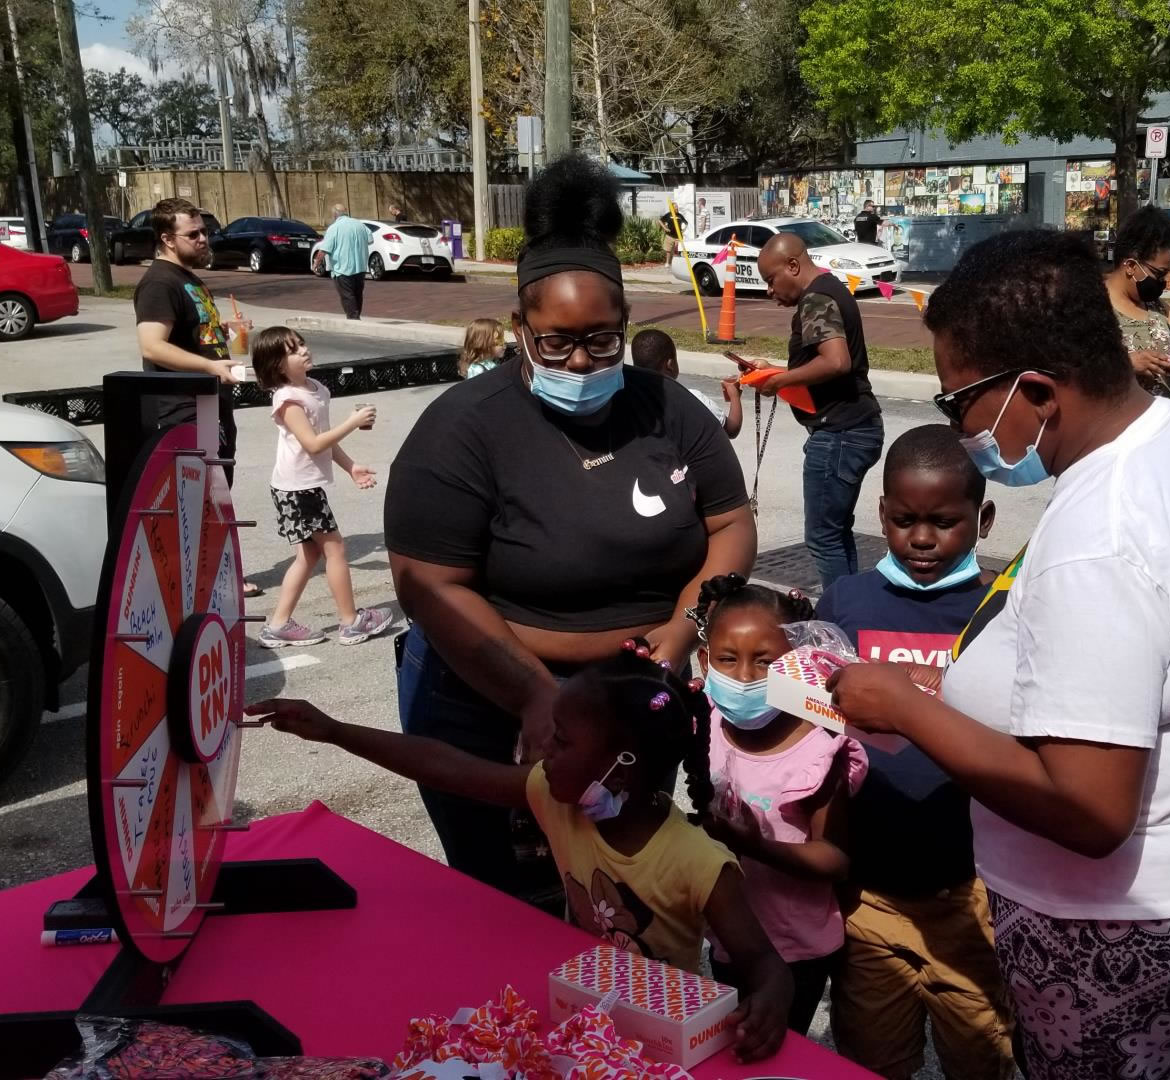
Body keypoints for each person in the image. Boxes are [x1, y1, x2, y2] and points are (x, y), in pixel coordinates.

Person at [827, 229, 1170, 1080]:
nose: (957, 427)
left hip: (1121, 919)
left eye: (957, 403)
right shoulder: (1168, 441)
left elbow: (1089, 810)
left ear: (1037, 391)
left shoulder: (1102, 537)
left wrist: (905, 709)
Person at [384, 156, 754, 907]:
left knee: (631, 895)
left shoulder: (669, 409)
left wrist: (681, 636)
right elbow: (429, 586)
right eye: (555, 342)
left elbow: (731, 525)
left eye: (602, 340)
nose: (580, 360)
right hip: (486, 699)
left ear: (626, 325)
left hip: (642, 690)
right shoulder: (462, 430)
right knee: (514, 902)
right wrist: (530, 693)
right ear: (520, 329)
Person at [247, 645, 792, 1063]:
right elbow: (449, 768)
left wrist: (767, 1003)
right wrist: (336, 731)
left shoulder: (699, 863)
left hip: (658, 1043)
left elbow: (766, 965)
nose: (543, 749)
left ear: (620, 766)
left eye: (561, 740)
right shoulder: (558, 799)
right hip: (578, 1015)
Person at [815, 425, 1015, 1080]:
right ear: (882, 515)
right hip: (868, 897)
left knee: (982, 1055)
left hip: (975, 897)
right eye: (904, 521)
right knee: (871, 1059)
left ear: (983, 519)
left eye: (944, 522)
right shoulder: (846, 601)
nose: (922, 539)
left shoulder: (1003, 612)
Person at [693, 573, 863, 1033]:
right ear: (705, 660)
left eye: (765, 662)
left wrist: (756, 846)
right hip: (729, 937)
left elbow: (835, 860)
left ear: (796, 665)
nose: (744, 677)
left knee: (773, 1041)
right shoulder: (705, 725)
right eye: (728, 659)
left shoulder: (818, 751)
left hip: (795, 950)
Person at [753, 231, 884, 590]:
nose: (769, 290)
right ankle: (851, 607)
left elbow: (837, 361)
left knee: (823, 537)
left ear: (793, 266)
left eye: (771, 279)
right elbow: (824, 365)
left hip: (840, 432)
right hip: (855, 426)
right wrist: (774, 372)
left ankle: (838, 614)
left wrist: (780, 381)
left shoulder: (815, 299)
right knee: (836, 532)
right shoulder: (830, 289)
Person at [251, 326, 394, 648]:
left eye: (301, 344)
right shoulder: (288, 399)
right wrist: (352, 423)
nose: (303, 350)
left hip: (301, 487)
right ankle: (350, 622)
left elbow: (324, 440)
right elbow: (313, 444)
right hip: (296, 490)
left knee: (309, 555)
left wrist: (351, 466)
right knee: (335, 549)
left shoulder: (316, 389)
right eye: (292, 350)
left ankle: (278, 625)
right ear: (276, 365)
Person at [134, 198, 242, 486]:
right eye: (193, 234)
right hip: (185, 411)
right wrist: (209, 366)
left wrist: (219, 330)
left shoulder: (187, 278)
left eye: (204, 231)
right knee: (198, 497)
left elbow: (189, 333)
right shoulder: (159, 283)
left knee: (216, 495)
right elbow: (152, 346)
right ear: (168, 239)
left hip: (210, 406)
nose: (203, 239)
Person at [1104, 205, 1170, 401]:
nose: (1162, 282)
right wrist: (1127, 364)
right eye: (1158, 273)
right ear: (1131, 266)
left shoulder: (1158, 307)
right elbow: (1068, 369)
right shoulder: (1092, 305)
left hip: (1162, 416)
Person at [631, 328, 742, 438]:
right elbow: (732, 429)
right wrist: (734, 396)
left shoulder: (629, 399)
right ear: (670, 365)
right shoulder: (693, 399)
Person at [317, 204, 371, 320]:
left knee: (347, 295)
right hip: (360, 266)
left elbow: (324, 250)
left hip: (342, 268)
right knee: (357, 294)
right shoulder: (360, 225)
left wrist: (316, 263)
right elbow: (370, 240)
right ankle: (356, 316)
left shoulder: (334, 228)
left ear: (334, 215)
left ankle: (353, 319)